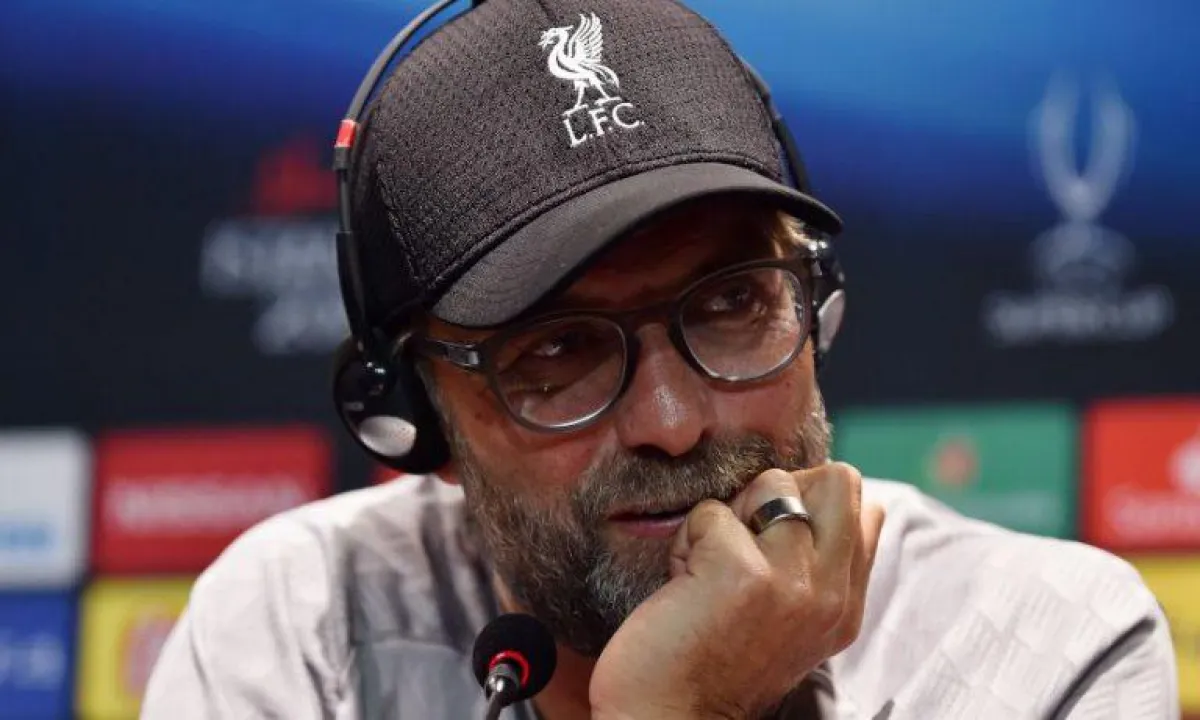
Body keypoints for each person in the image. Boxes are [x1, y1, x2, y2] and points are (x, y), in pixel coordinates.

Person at [142, 0, 1178, 717]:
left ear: (817, 311)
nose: (674, 423)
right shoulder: (301, 631)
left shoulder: (1039, 648)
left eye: (731, 304)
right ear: (418, 413)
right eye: (558, 350)